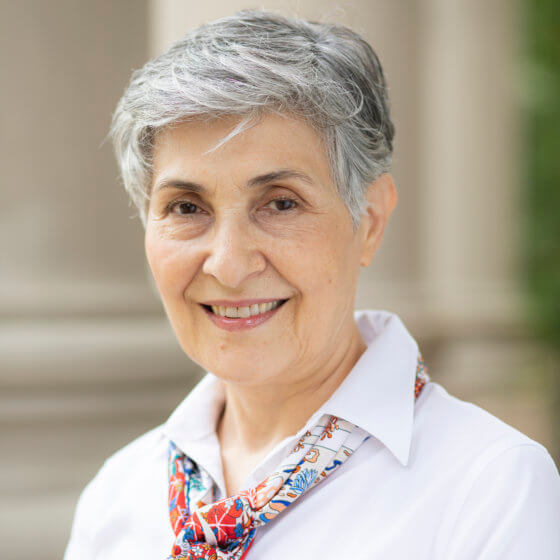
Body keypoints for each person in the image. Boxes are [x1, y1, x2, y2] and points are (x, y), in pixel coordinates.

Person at [64, 10, 560, 560]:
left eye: (280, 203)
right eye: (186, 207)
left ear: (369, 221)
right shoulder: (118, 498)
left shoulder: (488, 488)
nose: (228, 265)